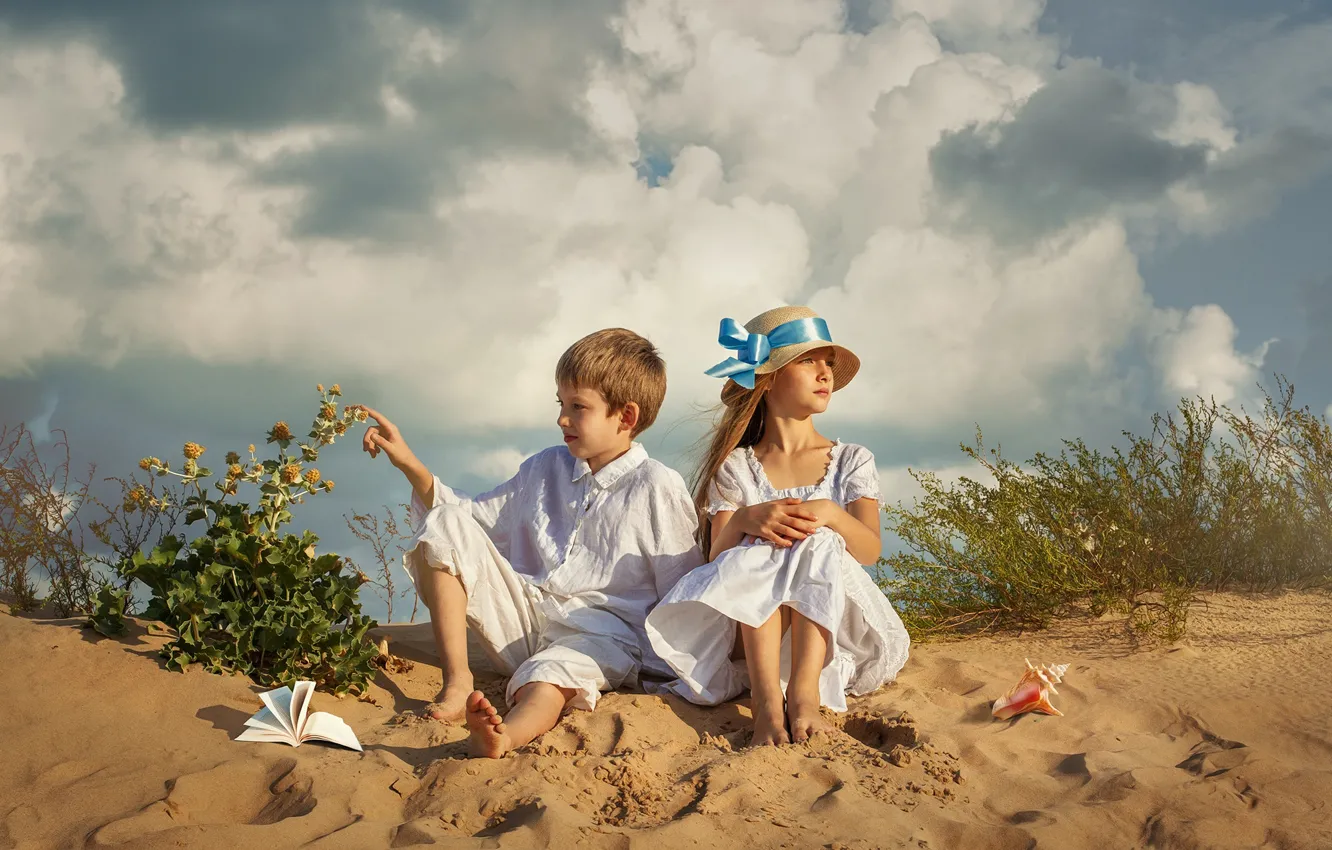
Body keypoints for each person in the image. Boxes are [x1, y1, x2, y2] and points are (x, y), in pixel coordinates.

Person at [360, 328, 701, 758]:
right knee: (445, 522)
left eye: (578, 407)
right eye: (561, 404)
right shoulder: (544, 466)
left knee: (550, 676)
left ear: (626, 417)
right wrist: (409, 463)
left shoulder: (657, 485)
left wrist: (676, 669)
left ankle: (505, 736)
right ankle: (458, 679)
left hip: (602, 636)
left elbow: (682, 587)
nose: (562, 418)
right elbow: (469, 519)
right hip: (526, 619)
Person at [644, 306, 910, 746]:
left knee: (817, 540)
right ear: (767, 379)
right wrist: (749, 518)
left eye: (828, 362)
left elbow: (868, 551)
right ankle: (769, 699)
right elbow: (716, 556)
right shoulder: (737, 466)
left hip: (829, 626)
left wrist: (830, 513)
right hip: (749, 634)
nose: (825, 372)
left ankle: (804, 693)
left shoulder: (850, 461)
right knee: (758, 543)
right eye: (808, 360)